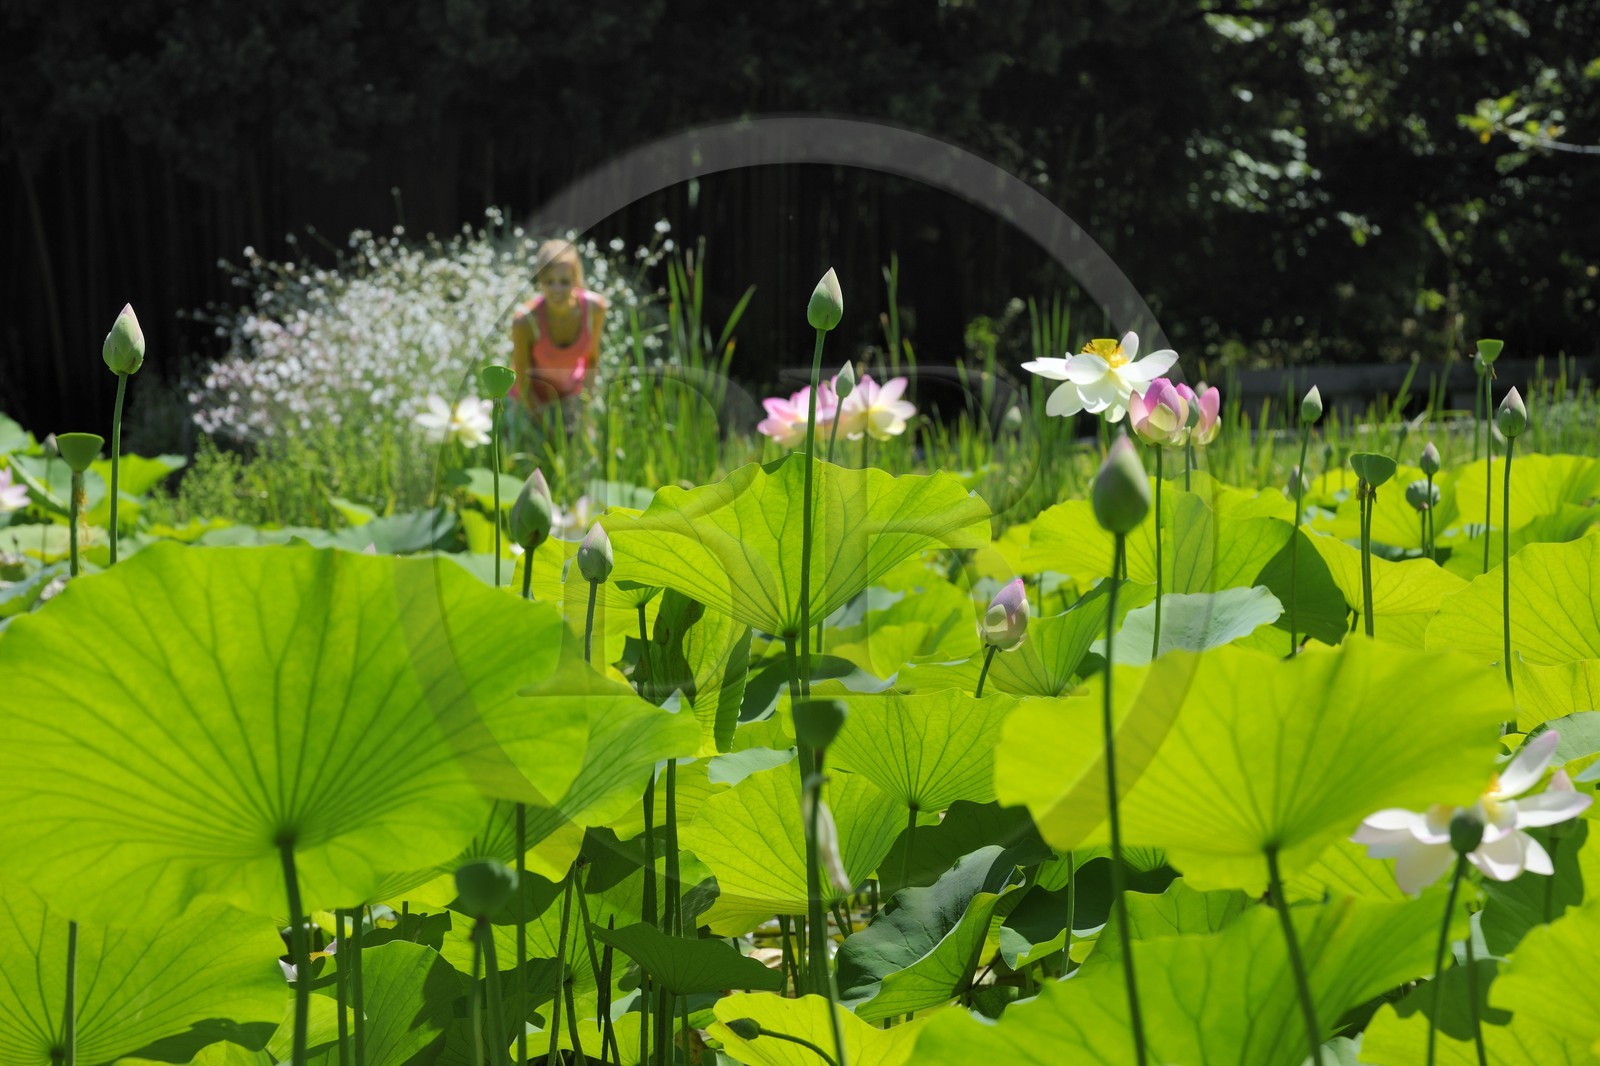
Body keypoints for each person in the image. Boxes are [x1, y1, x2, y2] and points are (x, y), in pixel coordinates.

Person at [509, 240, 608, 411]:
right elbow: (522, 383)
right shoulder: (525, 321)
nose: (557, 290)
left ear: (576, 279)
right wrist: (549, 431)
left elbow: (592, 360)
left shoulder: (595, 309)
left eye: (564, 281)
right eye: (549, 282)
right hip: (530, 403)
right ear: (540, 280)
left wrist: (585, 406)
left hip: (572, 396)